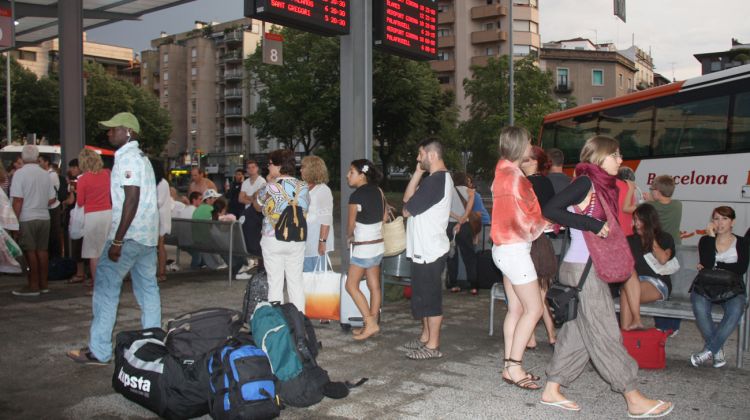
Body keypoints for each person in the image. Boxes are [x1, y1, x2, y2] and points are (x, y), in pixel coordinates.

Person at [541, 135, 673, 417]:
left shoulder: (602, 185)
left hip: (586, 267)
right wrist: (591, 223)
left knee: (578, 332)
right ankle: (633, 396)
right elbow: (550, 209)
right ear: (600, 157)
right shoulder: (585, 183)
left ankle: (552, 387)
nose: (621, 160)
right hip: (583, 269)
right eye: (616, 155)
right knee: (605, 331)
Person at [67, 112, 161, 365]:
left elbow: (132, 198)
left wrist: (117, 240)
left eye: (113, 129)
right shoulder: (142, 158)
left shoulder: (128, 158)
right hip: (147, 238)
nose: (109, 133)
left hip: (129, 236)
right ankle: (153, 343)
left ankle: (99, 350)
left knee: (106, 291)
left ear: (128, 132)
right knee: (148, 290)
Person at [490, 127, 547, 390]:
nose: (531, 147)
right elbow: (529, 218)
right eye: (528, 143)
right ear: (519, 146)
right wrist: (547, 225)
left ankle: (508, 366)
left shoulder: (500, 173)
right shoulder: (517, 178)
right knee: (534, 309)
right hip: (515, 250)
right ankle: (514, 366)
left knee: (515, 309)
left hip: (503, 249)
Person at [401, 138, 452, 360]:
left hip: (430, 249)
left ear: (431, 155)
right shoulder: (433, 179)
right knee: (422, 298)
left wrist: (421, 174)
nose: (417, 158)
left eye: (420, 154)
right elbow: (406, 199)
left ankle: (433, 346)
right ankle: (425, 337)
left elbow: (406, 209)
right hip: (424, 248)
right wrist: (418, 172)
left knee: (430, 299)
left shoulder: (436, 181)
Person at [690, 206, 749, 368]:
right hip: (705, 285)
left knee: (736, 309)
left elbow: (741, 268)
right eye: (716, 218)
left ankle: (709, 350)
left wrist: (718, 265)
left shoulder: (742, 242)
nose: (720, 223)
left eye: (724, 219)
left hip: (732, 287)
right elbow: (708, 264)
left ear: (732, 222)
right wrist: (710, 237)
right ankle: (716, 350)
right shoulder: (706, 240)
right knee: (700, 307)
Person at [254, 149, 309, 311]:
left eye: (270, 164)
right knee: (296, 282)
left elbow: (257, 206)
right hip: (297, 238)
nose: (268, 167)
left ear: (279, 166)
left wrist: (267, 183)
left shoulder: (270, 187)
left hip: (273, 239)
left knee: (275, 282)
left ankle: (277, 324)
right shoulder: (303, 187)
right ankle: (299, 323)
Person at [519, 145, 557, 349]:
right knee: (538, 293)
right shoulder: (547, 183)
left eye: (524, 159)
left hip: (530, 241)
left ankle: (539, 336)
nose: (520, 162)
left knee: (531, 295)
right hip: (543, 241)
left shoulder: (526, 184)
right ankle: (547, 335)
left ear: (534, 162)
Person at [345, 159, 385, 340]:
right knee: (374, 286)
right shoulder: (378, 190)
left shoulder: (356, 196)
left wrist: (349, 236)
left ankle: (369, 323)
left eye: (351, 172)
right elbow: (384, 216)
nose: (348, 175)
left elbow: (350, 225)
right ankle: (373, 323)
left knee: (351, 285)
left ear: (362, 175)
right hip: (377, 244)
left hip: (363, 247)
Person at [619, 203, 677, 330]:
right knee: (628, 280)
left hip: (657, 283)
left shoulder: (665, 238)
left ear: (650, 221)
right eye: (634, 220)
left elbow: (662, 259)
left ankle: (634, 323)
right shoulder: (629, 240)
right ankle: (630, 330)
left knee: (627, 291)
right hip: (632, 282)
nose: (636, 224)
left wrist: (650, 238)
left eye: (640, 220)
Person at [10, 145, 55, 297]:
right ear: (37, 157)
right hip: (44, 217)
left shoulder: (19, 174)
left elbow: (18, 200)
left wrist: (14, 222)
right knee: (42, 251)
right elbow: (52, 198)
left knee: (30, 252)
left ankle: (33, 285)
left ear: (22, 158)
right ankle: (44, 284)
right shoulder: (45, 174)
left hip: (27, 217)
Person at [647, 175, 683, 336]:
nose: (651, 191)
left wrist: (648, 200)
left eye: (652, 189)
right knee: (674, 290)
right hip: (675, 249)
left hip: (658, 251)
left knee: (658, 287)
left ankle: (661, 325)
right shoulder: (678, 205)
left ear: (658, 191)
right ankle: (674, 325)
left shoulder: (650, 205)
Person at [76, 149, 113, 295]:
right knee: (107, 250)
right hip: (108, 213)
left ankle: (97, 286)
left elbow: (80, 202)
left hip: (92, 215)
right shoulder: (107, 174)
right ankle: (110, 284)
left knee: (94, 253)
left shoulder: (83, 179)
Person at [446, 172, 479, 295]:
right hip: (465, 226)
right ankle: (473, 285)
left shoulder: (448, 191)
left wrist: (457, 218)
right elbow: (469, 209)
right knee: (469, 256)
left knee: (451, 255)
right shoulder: (471, 192)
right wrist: (462, 219)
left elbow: (446, 209)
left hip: (450, 226)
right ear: (465, 180)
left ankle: (454, 284)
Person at [300, 156, 334, 273]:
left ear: (312, 169)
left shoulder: (323, 190)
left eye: (303, 167)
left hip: (316, 244)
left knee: (316, 282)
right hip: (303, 243)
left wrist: (322, 243)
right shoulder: (302, 188)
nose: (300, 170)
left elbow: (326, 219)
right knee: (304, 280)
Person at [239, 159, 266, 267]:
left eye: (253, 167)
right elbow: (240, 199)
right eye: (249, 167)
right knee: (248, 235)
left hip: (258, 213)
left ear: (257, 168)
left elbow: (259, 197)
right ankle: (251, 258)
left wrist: (249, 197)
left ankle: (259, 260)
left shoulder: (262, 181)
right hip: (248, 212)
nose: (251, 169)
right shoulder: (245, 182)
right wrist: (253, 198)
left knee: (258, 235)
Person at [38, 154, 64, 259]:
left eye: (40, 161)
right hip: (48, 207)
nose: (38, 164)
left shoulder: (51, 175)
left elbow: (53, 194)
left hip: (52, 208)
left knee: (53, 234)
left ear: (46, 162)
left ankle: (56, 258)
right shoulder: (45, 174)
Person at [152, 160, 172, 282]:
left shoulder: (163, 183)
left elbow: (159, 201)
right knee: (156, 245)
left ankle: (162, 272)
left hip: (161, 217)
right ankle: (158, 271)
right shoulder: (154, 182)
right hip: (155, 217)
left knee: (160, 245)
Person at [616, 171, 637, 236]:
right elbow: (627, 209)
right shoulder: (633, 189)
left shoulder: (609, 185)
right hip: (626, 231)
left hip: (612, 229)